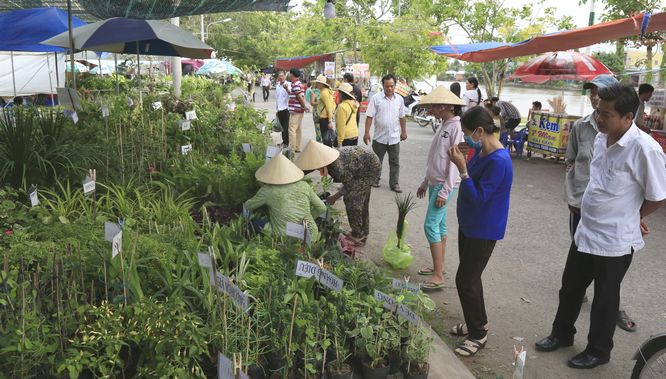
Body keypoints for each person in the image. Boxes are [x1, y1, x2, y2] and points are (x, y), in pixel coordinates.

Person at [535, 84, 666, 369]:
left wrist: (635, 217)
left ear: (627, 117)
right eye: (598, 112)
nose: (600, 119)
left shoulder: (644, 148)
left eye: (606, 114)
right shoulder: (600, 138)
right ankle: (562, 334)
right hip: (586, 229)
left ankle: (598, 350)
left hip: (615, 239)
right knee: (570, 287)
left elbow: (657, 196)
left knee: (605, 299)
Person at [563, 74, 636, 329]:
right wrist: (572, 196)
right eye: (592, 92)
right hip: (582, 212)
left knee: (607, 284)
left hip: (612, 226)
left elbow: (653, 194)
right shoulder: (584, 128)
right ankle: (564, 327)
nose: (595, 96)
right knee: (573, 278)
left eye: (600, 92)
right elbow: (571, 161)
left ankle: (610, 316)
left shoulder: (635, 142)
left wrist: (637, 215)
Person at [446, 106, 513, 357]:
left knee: (466, 280)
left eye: (467, 134)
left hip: (483, 229)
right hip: (470, 225)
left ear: (481, 130)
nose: (465, 139)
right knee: (470, 278)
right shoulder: (481, 150)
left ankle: (478, 334)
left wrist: (462, 169)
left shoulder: (499, 161)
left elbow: (479, 198)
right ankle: (477, 322)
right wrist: (462, 158)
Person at [414, 86, 465, 291]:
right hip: (435, 182)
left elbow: (456, 161)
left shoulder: (456, 127)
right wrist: (425, 182)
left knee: (430, 225)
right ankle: (439, 267)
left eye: (434, 106)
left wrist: (444, 190)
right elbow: (435, 157)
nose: (431, 109)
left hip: (444, 185)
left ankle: (438, 275)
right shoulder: (444, 125)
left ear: (445, 106)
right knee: (440, 226)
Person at [295, 140, 381, 246]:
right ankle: (363, 231)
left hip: (369, 169)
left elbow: (349, 185)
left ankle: (358, 234)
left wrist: (334, 198)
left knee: (352, 199)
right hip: (364, 162)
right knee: (362, 198)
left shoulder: (337, 168)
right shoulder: (326, 157)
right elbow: (308, 168)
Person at [244, 154, 326, 241]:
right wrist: (305, 219)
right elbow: (322, 208)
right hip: (309, 235)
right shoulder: (304, 185)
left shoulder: (267, 190)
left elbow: (247, 207)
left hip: (283, 236)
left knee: (254, 222)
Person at [363, 73, 407, 193]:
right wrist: (366, 133)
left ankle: (394, 183)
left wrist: (404, 131)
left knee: (395, 162)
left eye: (392, 86)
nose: (389, 89)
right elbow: (369, 116)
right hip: (379, 137)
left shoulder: (399, 99)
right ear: (383, 85)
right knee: (377, 161)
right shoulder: (376, 98)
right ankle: (375, 179)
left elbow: (402, 117)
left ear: (395, 86)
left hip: (394, 138)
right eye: (387, 86)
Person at [288, 68, 309, 152]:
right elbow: (298, 95)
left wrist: (305, 106)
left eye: (289, 73)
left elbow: (299, 97)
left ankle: (292, 148)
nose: (288, 75)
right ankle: (297, 147)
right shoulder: (299, 84)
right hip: (299, 110)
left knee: (292, 129)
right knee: (298, 129)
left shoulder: (296, 84)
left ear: (292, 75)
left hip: (295, 110)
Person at [313, 75, 336, 147]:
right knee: (327, 139)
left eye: (319, 83)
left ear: (323, 84)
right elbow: (333, 104)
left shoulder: (324, 93)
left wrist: (330, 121)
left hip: (324, 119)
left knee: (326, 139)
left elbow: (329, 107)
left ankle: (328, 155)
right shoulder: (327, 91)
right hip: (325, 117)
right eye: (317, 83)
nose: (317, 84)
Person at [275, 72, 290, 147]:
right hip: (279, 109)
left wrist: (286, 88)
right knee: (281, 127)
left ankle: (286, 142)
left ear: (285, 76)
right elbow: (277, 98)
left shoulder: (289, 84)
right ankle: (283, 141)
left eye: (282, 76)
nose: (281, 77)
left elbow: (291, 95)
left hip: (286, 108)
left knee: (285, 126)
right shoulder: (278, 86)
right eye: (279, 76)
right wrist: (277, 109)